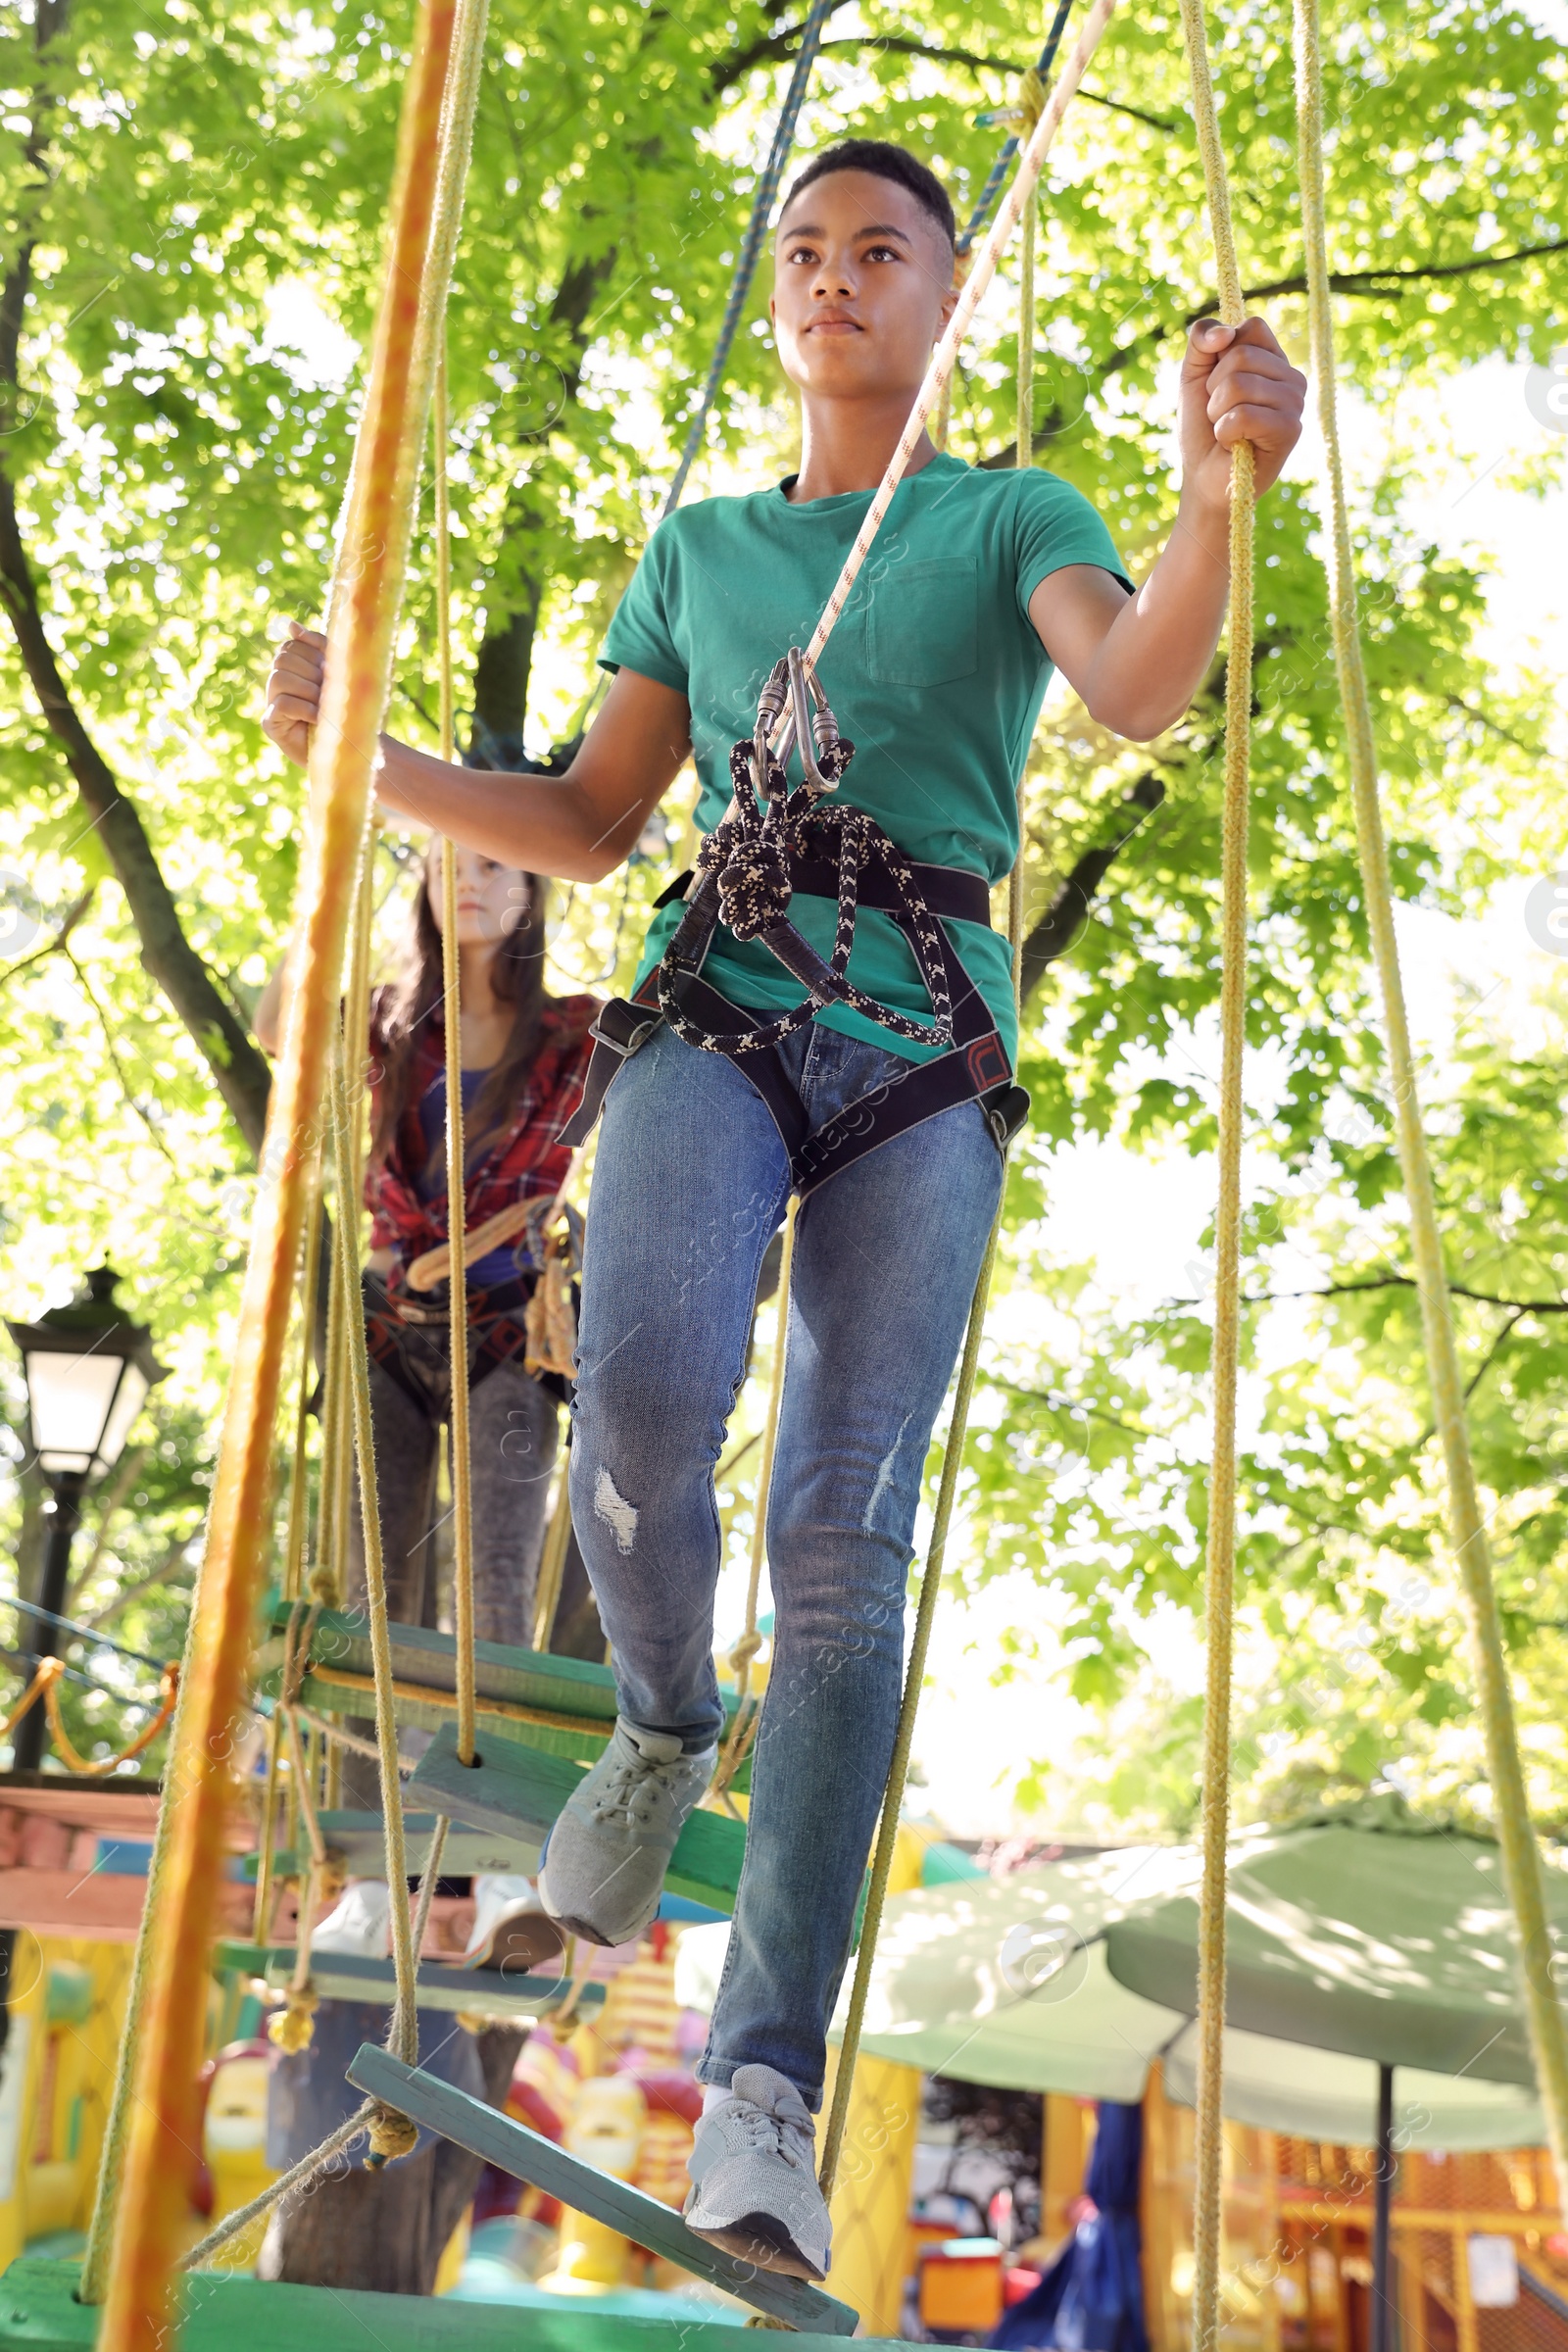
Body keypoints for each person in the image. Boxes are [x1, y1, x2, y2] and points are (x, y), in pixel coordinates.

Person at [265, 138, 1304, 2281]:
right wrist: (370, 766)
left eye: (881, 255)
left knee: (842, 1540)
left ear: (942, 301)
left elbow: (1128, 687)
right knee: (638, 1401)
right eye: (809, 257)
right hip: (719, 1012)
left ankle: (760, 2091)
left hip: (916, 1043)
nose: (834, 283)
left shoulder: (1006, 515)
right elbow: (579, 811)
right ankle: (655, 1720)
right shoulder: (704, 550)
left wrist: (1220, 494)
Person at [255, 842, 598, 1962]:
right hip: (387, 1330)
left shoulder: (574, 1037)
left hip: (507, 1334)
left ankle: (506, 1868)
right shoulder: (379, 1029)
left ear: (537, 893)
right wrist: (335, 852)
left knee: (498, 1583)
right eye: (455, 861)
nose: (480, 880)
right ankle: (369, 1882)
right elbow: (274, 1022)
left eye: (507, 866)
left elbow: (685, 1041)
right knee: (371, 1597)